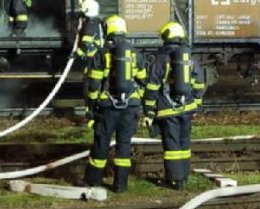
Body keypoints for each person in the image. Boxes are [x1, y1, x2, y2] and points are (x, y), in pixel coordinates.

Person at [82, 15, 147, 193]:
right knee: (124, 145)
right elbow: (143, 80)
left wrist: (91, 107)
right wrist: (139, 102)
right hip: (130, 107)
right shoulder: (135, 54)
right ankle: (120, 186)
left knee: (101, 143)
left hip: (108, 107)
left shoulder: (102, 54)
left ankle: (93, 181)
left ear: (107, 30)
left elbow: (94, 84)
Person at [143, 21, 206, 190]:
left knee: (172, 146)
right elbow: (199, 83)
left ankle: (174, 180)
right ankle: (184, 177)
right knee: (184, 143)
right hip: (188, 108)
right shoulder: (190, 58)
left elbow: (152, 86)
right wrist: (196, 104)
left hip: (167, 110)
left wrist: (149, 110)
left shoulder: (161, 58)